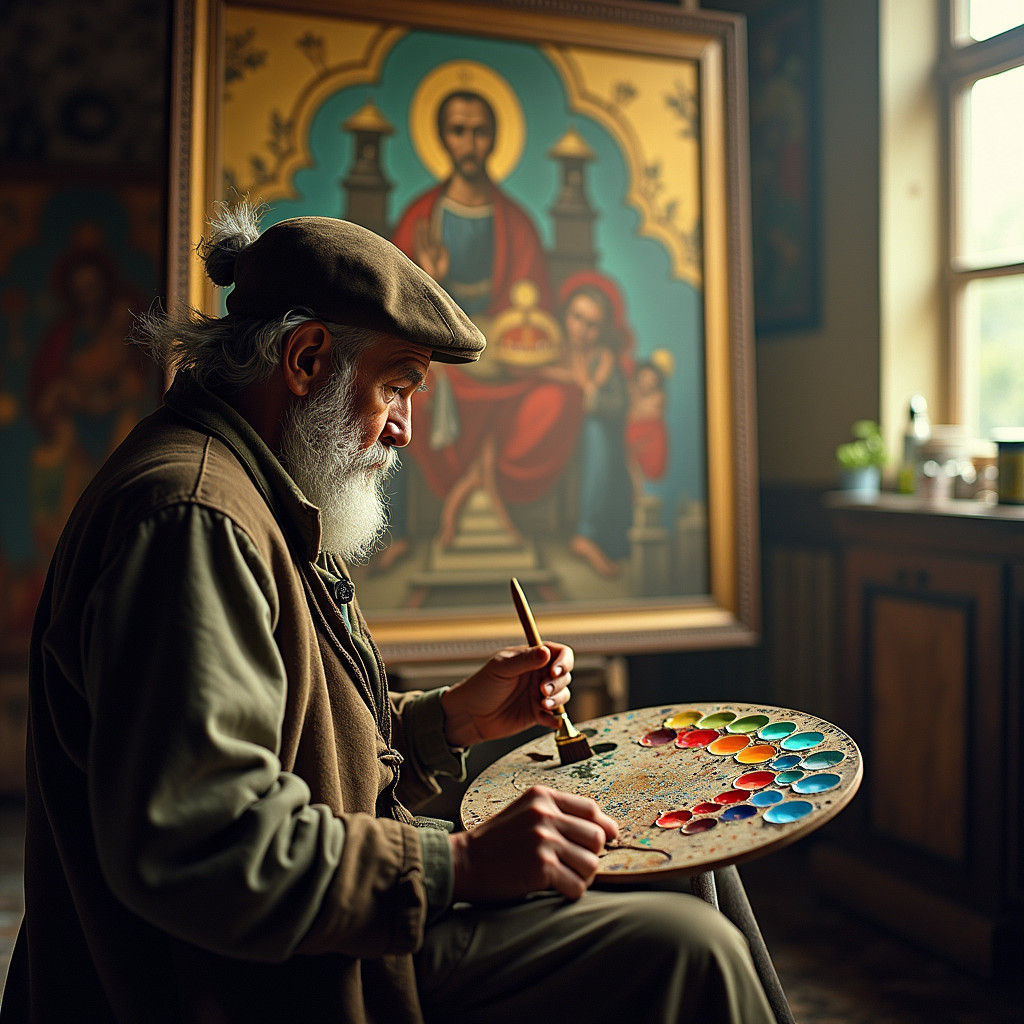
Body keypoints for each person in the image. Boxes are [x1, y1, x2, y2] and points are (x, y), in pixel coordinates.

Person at [3, 205, 775, 1024]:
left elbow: (288, 741)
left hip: (317, 926)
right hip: (252, 980)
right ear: (306, 360)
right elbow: (202, 847)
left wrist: (446, 720)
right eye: (397, 385)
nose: (407, 428)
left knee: (685, 863)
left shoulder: (258, 484)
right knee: (692, 946)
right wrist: (461, 864)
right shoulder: (195, 518)